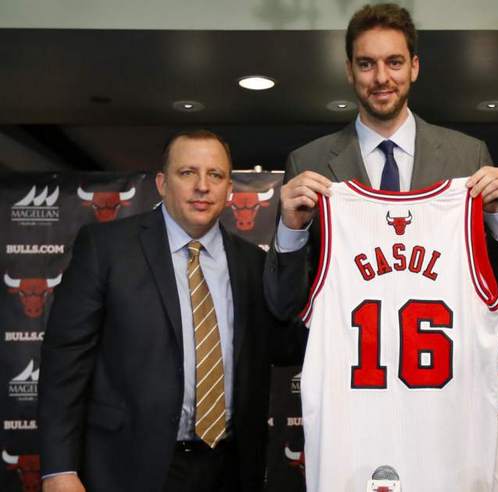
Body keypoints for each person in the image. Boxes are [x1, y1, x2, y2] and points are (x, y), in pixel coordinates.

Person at [38, 130, 304, 491]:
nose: (202, 187)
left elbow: (286, 345)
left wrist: (295, 234)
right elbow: (63, 366)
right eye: (187, 173)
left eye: (215, 175)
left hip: (230, 469)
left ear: (229, 190)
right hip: (128, 468)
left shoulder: (253, 264)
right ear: (162, 184)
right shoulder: (106, 249)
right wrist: (58, 470)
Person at [264, 2, 498, 319]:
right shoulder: (309, 162)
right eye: (366, 64)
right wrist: (291, 230)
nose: (381, 78)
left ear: (414, 67)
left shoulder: (467, 157)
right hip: (348, 363)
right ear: (349, 70)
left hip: (440, 362)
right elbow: (283, 305)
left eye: (394, 62)